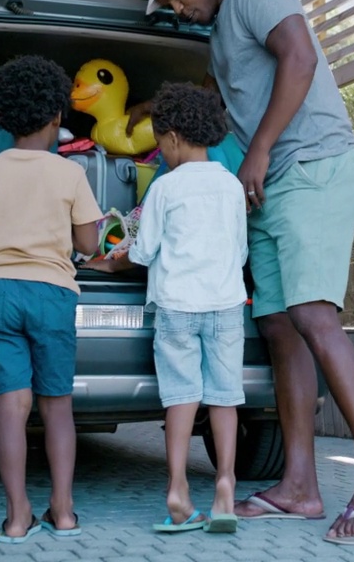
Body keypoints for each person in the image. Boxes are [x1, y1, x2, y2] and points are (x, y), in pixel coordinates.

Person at [132, 0, 354, 545]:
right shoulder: (216, 39)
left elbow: (300, 58)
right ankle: (299, 486)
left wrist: (258, 151)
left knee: (313, 315)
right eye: (169, 5)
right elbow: (225, 121)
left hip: (314, 167)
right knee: (279, 327)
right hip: (270, 187)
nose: (179, 9)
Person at [0, 55, 102, 544]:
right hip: (52, 294)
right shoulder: (69, 174)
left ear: (5, 116)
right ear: (56, 118)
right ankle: (64, 511)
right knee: (57, 406)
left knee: (11, 405)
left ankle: (16, 517)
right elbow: (89, 245)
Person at [87, 83, 248, 535]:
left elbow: (142, 253)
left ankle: (177, 490)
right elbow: (239, 253)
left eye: (159, 144)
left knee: (181, 396)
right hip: (225, 304)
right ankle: (225, 486)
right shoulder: (232, 186)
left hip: (177, 305)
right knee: (225, 398)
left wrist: (114, 255)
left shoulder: (166, 188)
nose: (160, 153)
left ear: (173, 137)